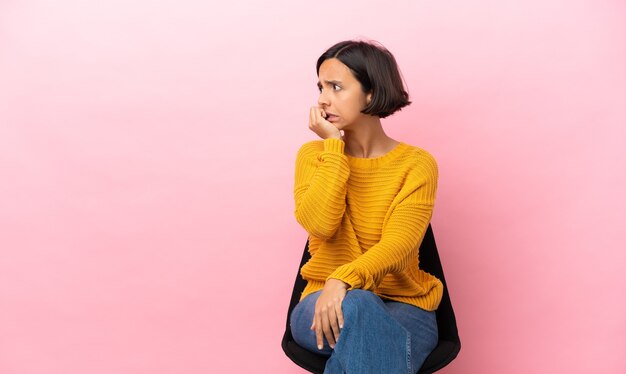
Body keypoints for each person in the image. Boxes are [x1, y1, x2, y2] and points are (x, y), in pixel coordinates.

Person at [289, 39, 444, 373]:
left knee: (363, 331)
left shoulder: (416, 164)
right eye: (320, 86)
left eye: (336, 87)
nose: (322, 98)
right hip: (321, 302)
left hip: (405, 304)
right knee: (361, 309)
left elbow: (400, 245)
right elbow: (319, 225)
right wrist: (333, 147)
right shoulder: (313, 157)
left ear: (371, 93)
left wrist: (343, 279)